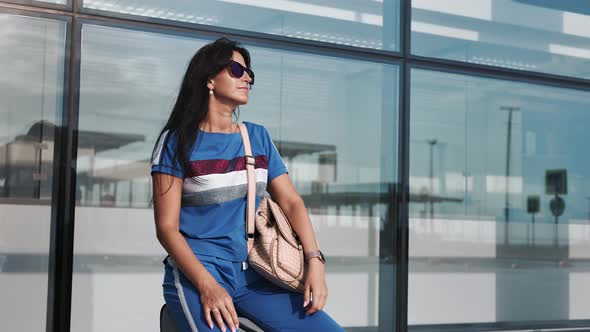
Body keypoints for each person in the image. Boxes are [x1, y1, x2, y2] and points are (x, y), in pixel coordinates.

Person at [151, 37, 344, 332]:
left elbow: (292, 202)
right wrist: (208, 286)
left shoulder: (258, 138)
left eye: (249, 73)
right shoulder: (176, 142)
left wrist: (315, 262)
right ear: (209, 80)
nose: (248, 78)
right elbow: (166, 228)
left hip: (255, 275)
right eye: (236, 70)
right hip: (198, 274)